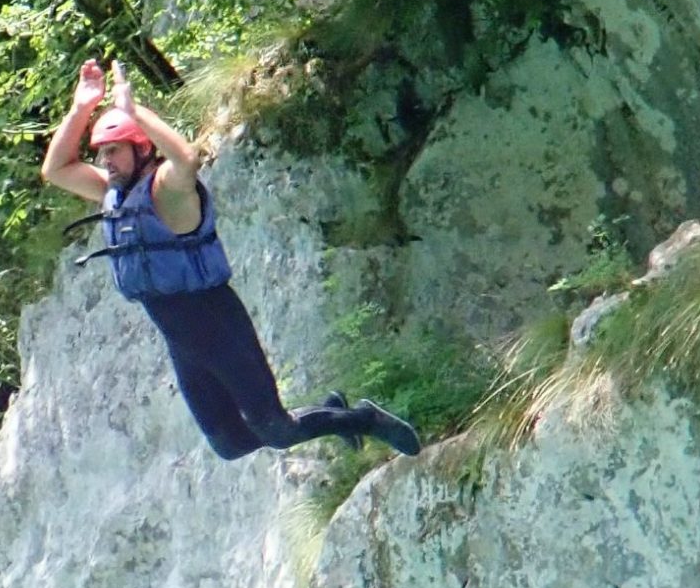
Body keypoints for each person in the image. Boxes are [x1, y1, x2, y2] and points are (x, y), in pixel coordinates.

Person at [39, 58, 421, 462]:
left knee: (276, 429)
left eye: (114, 150)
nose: (105, 161)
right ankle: (331, 410)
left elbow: (186, 159)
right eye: (102, 153)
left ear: (142, 148)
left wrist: (136, 113)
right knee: (230, 445)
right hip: (178, 333)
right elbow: (56, 169)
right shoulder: (115, 193)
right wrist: (82, 107)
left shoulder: (166, 192)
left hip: (215, 320)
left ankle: (361, 419)